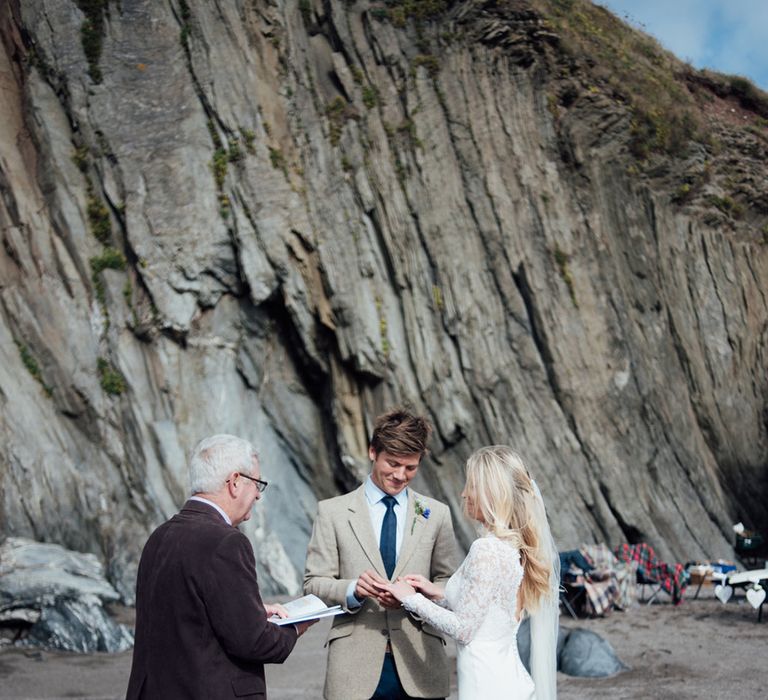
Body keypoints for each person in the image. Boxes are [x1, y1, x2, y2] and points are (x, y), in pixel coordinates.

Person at [126, 434, 314, 700]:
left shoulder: (160, 535)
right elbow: (254, 642)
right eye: (257, 484)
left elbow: (185, 614)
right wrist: (296, 626)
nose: (258, 496)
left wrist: (253, 612)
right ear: (235, 482)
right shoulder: (227, 542)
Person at [304, 407, 459, 700]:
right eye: (393, 463)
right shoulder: (332, 512)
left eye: (410, 468)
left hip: (421, 666)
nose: (400, 475)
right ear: (373, 451)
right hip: (353, 671)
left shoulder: (436, 514)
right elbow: (314, 583)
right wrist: (353, 589)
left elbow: (449, 581)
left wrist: (416, 596)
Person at [385, 445, 560, 700]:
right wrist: (436, 593)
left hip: (485, 683)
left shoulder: (486, 549)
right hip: (507, 676)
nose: (464, 493)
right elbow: (488, 614)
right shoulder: (511, 548)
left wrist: (411, 599)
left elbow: (465, 630)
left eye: (472, 485)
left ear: (491, 493)